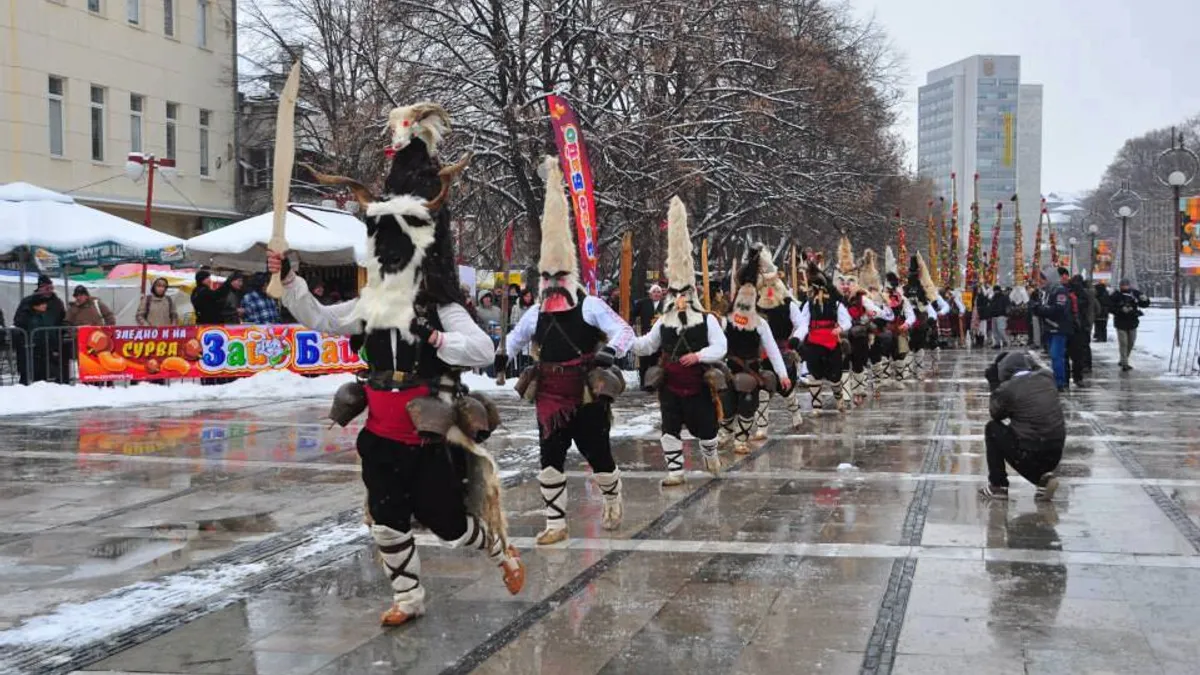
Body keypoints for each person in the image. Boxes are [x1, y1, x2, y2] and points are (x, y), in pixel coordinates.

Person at [271, 100, 523, 627]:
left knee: (449, 526)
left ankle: (498, 550)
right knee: (385, 519)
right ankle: (408, 599)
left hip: (427, 434)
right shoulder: (373, 302)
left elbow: (482, 351)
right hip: (380, 433)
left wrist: (434, 337)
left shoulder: (439, 303)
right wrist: (290, 280)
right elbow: (321, 319)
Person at [499, 157, 635, 544]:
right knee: (549, 461)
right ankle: (555, 524)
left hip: (587, 394)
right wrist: (502, 354)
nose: (552, 283)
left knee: (599, 456)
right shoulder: (535, 310)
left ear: (570, 275)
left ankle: (612, 495)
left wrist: (611, 353)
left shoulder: (589, 304)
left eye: (558, 276)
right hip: (549, 396)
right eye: (546, 276)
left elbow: (623, 331)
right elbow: (516, 338)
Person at [632, 197, 726, 485]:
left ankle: (710, 453)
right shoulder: (663, 321)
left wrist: (698, 356)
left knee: (707, 430)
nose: (680, 299)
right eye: (676, 294)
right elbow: (647, 345)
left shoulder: (707, 319)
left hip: (698, 382)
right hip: (671, 383)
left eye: (684, 293)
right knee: (669, 428)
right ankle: (675, 471)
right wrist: (623, 338)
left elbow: (721, 347)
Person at [720, 252, 791, 454]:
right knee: (727, 405)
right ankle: (725, 432)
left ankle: (740, 439)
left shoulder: (760, 324)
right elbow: (717, 346)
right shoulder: (725, 321)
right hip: (729, 369)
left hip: (751, 370)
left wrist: (783, 375)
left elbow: (772, 350)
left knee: (748, 406)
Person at [979, 351, 1063, 501]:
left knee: (992, 429)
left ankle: (998, 486)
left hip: (1031, 451)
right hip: (1055, 450)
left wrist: (994, 384)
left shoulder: (1009, 388)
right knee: (1031, 429)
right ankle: (1043, 480)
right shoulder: (1047, 377)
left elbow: (996, 414)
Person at [14, 276, 68, 384]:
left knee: (52, 369)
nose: (50, 291)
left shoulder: (57, 302)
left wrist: (61, 333)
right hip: (32, 343)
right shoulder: (28, 301)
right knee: (33, 369)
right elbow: (19, 320)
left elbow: (63, 319)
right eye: (47, 288)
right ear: (40, 287)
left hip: (51, 342)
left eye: (51, 288)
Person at [1033, 265, 1075, 392]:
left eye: (1043, 279)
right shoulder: (1048, 291)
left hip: (1059, 328)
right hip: (1050, 327)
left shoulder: (1059, 290)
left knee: (1057, 356)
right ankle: (1058, 380)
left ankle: (1060, 382)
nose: (1041, 282)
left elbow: (1058, 309)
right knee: (1054, 356)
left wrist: (1041, 310)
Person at [1110, 278, 1150, 371]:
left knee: (1131, 342)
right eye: (1123, 285)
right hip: (1120, 322)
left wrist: (1145, 300)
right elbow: (1110, 306)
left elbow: (1144, 304)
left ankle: (1124, 358)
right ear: (1120, 286)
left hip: (1132, 321)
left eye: (1126, 285)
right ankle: (1125, 363)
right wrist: (1120, 309)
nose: (1124, 286)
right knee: (1123, 343)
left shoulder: (1135, 293)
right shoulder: (1116, 295)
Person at [633, 284, 665, 389]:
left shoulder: (665, 304)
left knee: (656, 360)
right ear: (650, 294)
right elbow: (633, 315)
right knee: (644, 360)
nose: (656, 294)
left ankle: (654, 382)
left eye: (658, 292)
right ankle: (643, 382)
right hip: (646, 334)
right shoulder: (642, 303)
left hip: (660, 336)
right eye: (654, 292)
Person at [989, 285, 1010, 349]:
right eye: (995, 290)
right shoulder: (993, 297)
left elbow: (1008, 306)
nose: (996, 292)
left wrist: (1007, 314)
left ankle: (1006, 341)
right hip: (994, 315)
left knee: (1001, 329)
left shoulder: (1004, 297)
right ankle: (997, 343)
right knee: (995, 331)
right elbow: (991, 306)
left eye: (996, 290)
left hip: (1001, 315)